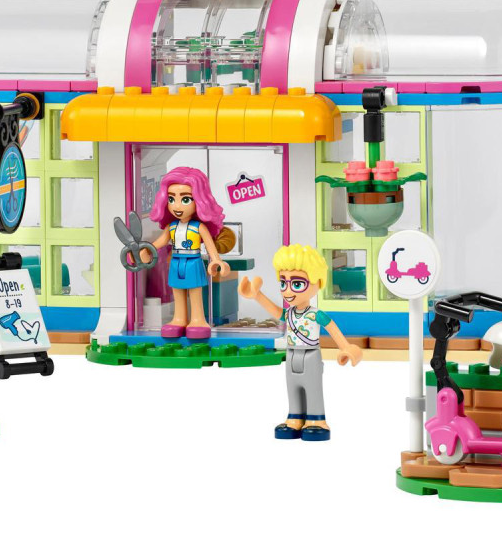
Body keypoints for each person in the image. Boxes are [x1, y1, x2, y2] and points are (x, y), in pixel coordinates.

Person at [238, 244, 362, 441]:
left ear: (317, 283)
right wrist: (257, 296)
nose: (287, 290)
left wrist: (346, 348)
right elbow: (275, 311)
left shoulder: (315, 314)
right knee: (293, 387)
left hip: (310, 355)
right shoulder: (289, 313)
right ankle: (295, 417)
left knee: (313, 388)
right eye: (283, 283)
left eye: (297, 284)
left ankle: (316, 419)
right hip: (291, 354)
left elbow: (333, 329)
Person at [140, 167, 232, 340]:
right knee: (177, 291)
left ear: (200, 201)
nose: (177, 206)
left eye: (185, 199)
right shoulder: (171, 227)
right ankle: (179, 318)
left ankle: (198, 320)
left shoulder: (199, 227)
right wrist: (145, 250)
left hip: (193, 261)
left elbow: (210, 247)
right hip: (176, 262)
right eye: (171, 199)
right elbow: (159, 243)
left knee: (195, 292)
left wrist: (216, 260)